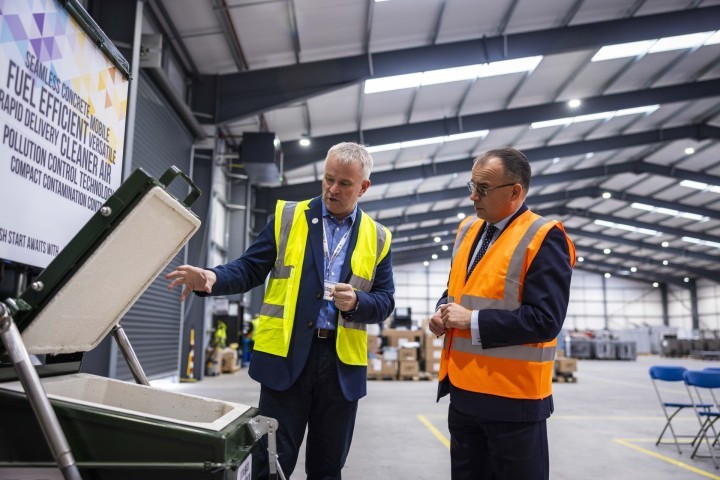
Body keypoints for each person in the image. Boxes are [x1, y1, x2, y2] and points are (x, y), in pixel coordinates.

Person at [166, 142, 394, 479]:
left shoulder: (378, 237)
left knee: (328, 467)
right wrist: (213, 277)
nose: (332, 189)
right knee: (270, 462)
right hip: (285, 362)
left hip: (340, 368)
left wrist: (360, 302)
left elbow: (386, 300)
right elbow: (248, 268)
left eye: (344, 183)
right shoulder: (288, 217)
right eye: (328, 179)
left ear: (364, 187)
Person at [428, 147, 575, 480]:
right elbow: (457, 290)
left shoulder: (544, 237)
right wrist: (442, 311)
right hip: (464, 396)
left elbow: (545, 321)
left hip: (513, 403)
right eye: (472, 185)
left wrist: (472, 320)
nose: (472, 196)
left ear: (515, 192)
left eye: (482, 188)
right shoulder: (468, 229)